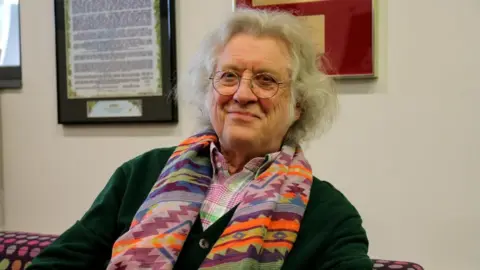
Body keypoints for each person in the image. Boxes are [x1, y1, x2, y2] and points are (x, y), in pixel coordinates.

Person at [28, 8, 372, 270]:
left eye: (266, 80)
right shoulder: (141, 175)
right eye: (229, 76)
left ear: (299, 105)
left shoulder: (330, 215)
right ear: (208, 89)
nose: (242, 94)